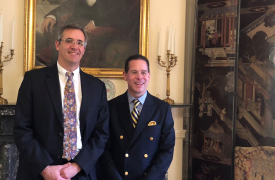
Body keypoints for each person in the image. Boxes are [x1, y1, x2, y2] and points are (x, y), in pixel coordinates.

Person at [14, 24, 109, 180]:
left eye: (80, 43)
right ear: (57, 44)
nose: (75, 46)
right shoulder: (34, 80)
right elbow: (22, 129)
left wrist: (77, 166)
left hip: (82, 172)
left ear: (84, 49)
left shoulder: (97, 87)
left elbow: (101, 134)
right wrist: (45, 168)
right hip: (40, 172)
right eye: (69, 40)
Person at [99, 54, 175, 180]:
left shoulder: (162, 109)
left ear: (149, 76)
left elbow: (167, 150)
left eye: (143, 72)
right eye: (134, 72)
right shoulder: (111, 107)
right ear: (125, 75)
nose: (139, 77)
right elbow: (104, 149)